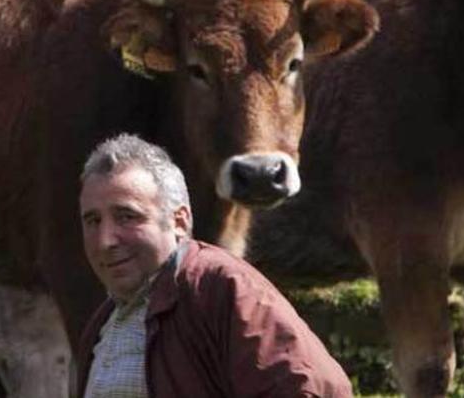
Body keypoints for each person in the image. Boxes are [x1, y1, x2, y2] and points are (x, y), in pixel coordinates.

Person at [74, 134, 353, 397]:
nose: (105, 240)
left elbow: (315, 387)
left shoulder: (220, 288)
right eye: (93, 221)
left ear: (179, 221)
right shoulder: (104, 324)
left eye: (126, 216)